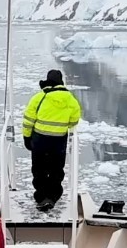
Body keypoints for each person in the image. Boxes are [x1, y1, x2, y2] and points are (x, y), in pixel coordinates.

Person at [22, 69, 82, 211]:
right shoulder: (71, 99)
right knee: (56, 169)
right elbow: (74, 121)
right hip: (59, 140)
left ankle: (41, 196)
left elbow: (28, 120)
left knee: (39, 169)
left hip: (40, 139)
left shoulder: (39, 97)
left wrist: (26, 137)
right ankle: (53, 196)